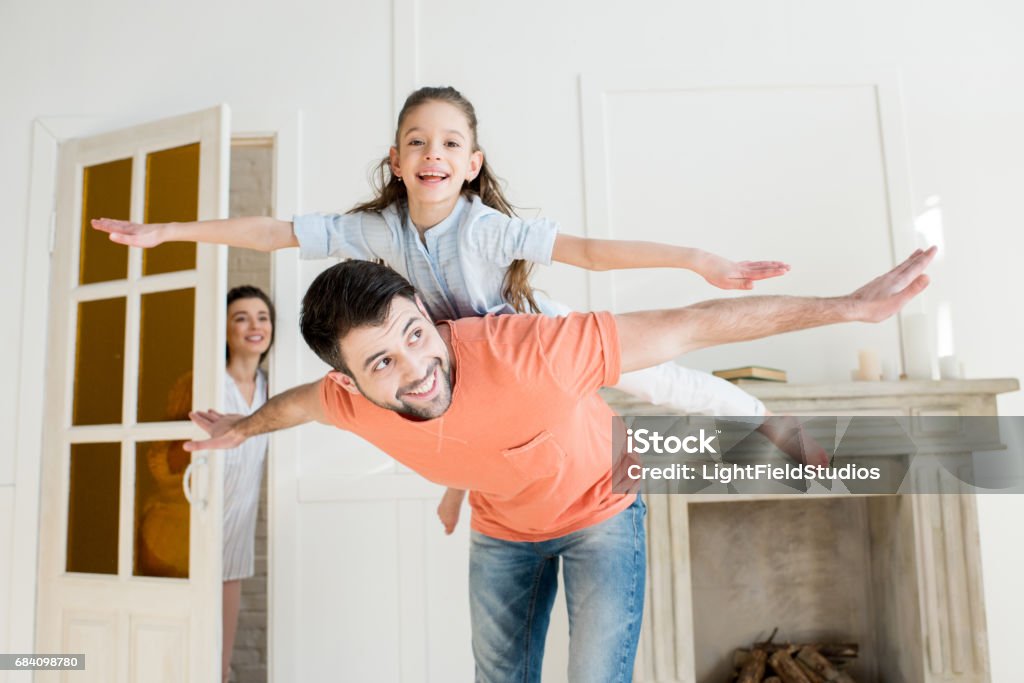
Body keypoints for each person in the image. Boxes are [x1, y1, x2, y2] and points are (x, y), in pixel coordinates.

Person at [183, 248, 934, 682]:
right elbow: (290, 406)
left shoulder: (529, 350)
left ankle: (772, 419)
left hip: (601, 512)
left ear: (427, 309)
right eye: (383, 360)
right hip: (506, 528)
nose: (417, 368)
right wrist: (241, 427)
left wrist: (846, 307)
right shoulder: (341, 399)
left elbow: (691, 326)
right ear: (348, 382)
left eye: (416, 333)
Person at [92, 85, 793, 535]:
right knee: (440, 417)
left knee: (656, 380)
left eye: (451, 143)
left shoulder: (487, 227)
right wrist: (170, 232)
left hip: (529, 342)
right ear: (396, 160)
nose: (434, 153)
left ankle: (764, 419)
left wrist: (698, 258)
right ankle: (464, 488)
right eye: (419, 142)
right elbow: (275, 232)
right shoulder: (374, 230)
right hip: (454, 369)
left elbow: (588, 250)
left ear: (472, 162)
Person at [221, 285, 275, 683]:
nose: (254, 326)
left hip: (238, 527)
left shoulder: (272, 390)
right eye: (241, 318)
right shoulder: (207, 381)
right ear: (224, 329)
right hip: (197, 522)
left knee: (220, 659)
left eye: (262, 317)